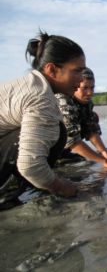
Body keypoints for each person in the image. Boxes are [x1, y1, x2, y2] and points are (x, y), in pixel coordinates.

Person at [0, 31, 86, 208]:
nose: (81, 79)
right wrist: (64, 187)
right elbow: (29, 166)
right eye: (77, 71)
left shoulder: (28, 84)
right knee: (58, 132)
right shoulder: (40, 97)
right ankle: (4, 198)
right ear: (52, 70)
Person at [56, 67, 107, 169]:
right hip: (42, 148)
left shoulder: (87, 103)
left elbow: (92, 131)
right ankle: (55, 158)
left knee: (93, 117)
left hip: (62, 147)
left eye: (92, 88)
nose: (90, 93)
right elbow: (72, 139)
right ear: (75, 85)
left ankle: (62, 155)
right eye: (85, 88)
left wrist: (106, 154)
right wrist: (104, 162)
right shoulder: (63, 99)